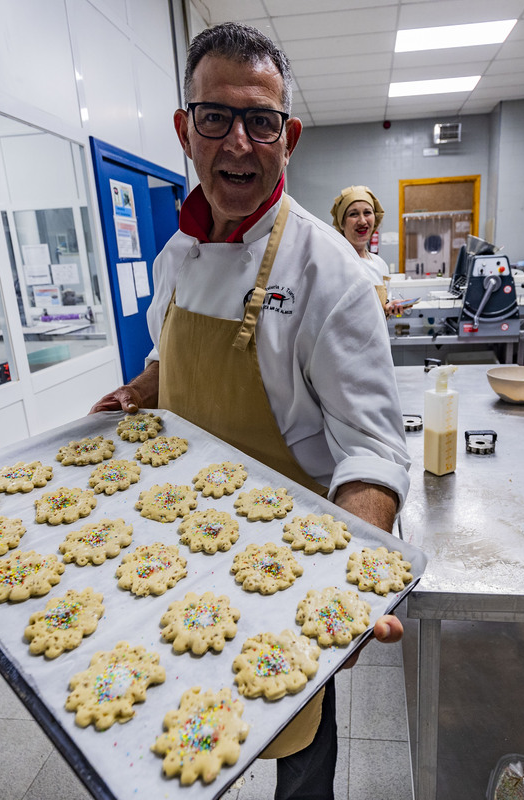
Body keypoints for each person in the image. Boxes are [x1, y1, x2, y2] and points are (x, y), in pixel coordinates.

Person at [88, 22, 410, 800]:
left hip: (285, 561)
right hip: (176, 545)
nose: (239, 142)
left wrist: (352, 579)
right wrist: (139, 391)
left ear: (287, 137)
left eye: (260, 121)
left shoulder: (328, 270)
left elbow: (372, 443)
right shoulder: (176, 255)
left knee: (296, 735)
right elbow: (171, 362)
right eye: (216, 118)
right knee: (186, 718)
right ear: (184, 131)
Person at [330, 184, 405, 315]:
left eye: (367, 212)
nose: (362, 221)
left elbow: (381, 308)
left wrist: (388, 308)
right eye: (353, 214)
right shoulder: (333, 263)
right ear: (341, 223)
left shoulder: (380, 264)